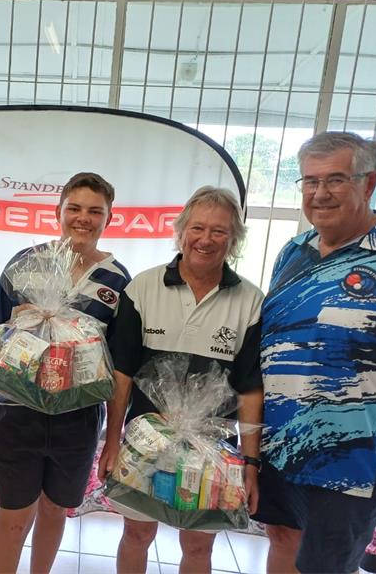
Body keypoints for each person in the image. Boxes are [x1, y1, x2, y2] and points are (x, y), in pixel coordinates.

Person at [254, 131, 376, 573]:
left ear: (369, 182)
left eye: (335, 180)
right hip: (281, 443)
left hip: (351, 460)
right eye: (309, 181)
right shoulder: (294, 251)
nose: (320, 194)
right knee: (282, 538)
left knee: (325, 564)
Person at [98, 186, 264, 574]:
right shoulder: (142, 288)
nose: (206, 240)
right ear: (181, 231)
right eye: (198, 228)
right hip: (144, 444)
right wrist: (111, 441)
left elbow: (251, 390)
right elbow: (122, 375)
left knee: (198, 546)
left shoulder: (250, 301)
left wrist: (250, 464)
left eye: (219, 231)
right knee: (137, 535)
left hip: (215, 452)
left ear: (235, 238)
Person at [0, 172, 131, 574]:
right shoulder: (25, 263)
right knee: (13, 516)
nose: (83, 218)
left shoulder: (118, 281)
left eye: (95, 211)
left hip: (77, 421)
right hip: (17, 414)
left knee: (55, 510)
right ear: (58, 212)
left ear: (108, 218)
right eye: (75, 208)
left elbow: (118, 368)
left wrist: (112, 436)